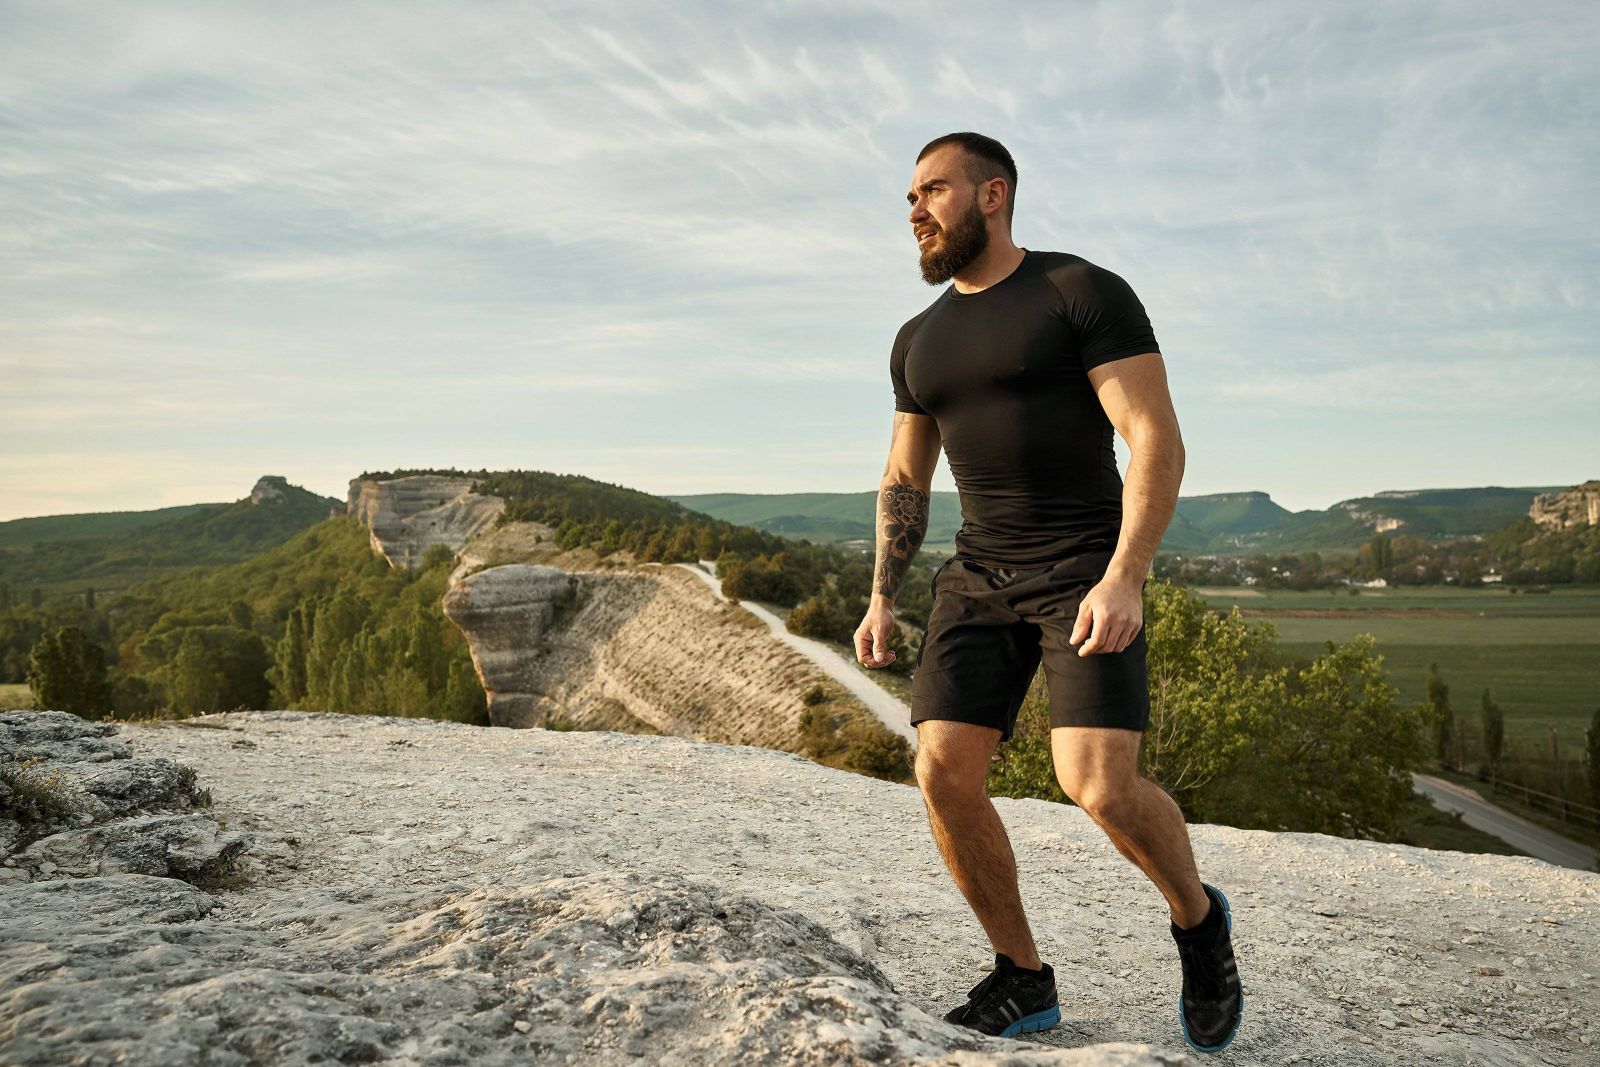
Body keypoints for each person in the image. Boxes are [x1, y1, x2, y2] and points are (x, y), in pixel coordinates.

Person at [853, 132, 1244, 1054]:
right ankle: (1022, 977)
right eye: (909, 195)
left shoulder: (1080, 291)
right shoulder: (919, 339)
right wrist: (882, 596)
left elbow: (1154, 437)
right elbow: (904, 476)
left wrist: (1126, 574)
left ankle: (1198, 923)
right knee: (943, 769)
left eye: (933, 189)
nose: (914, 208)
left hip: (1083, 569)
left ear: (993, 195)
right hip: (978, 574)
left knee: (1099, 786)